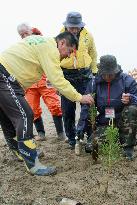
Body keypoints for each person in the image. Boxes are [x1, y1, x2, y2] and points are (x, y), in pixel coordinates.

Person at [0, 31, 94, 176]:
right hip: (5, 77)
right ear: (61, 43)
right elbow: (58, 80)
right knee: (25, 116)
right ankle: (33, 164)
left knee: (7, 118)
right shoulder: (51, 49)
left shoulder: (40, 41)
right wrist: (80, 97)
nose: (69, 55)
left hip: (7, 75)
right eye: (69, 51)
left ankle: (21, 151)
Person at [77, 55, 137, 160]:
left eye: (110, 74)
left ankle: (128, 147)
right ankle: (119, 138)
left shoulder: (127, 80)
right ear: (100, 71)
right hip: (105, 123)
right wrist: (80, 128)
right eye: (104, 74)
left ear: (116, 70)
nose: (107, 77)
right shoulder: (94, 83)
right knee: (90, 147)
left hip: (122, 121)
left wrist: (131, 98)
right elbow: (86, 107)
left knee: (132, 109)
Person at [17, 23, 66, 141]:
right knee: (32, 109)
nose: (24, 36)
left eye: (26, 33)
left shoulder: (41, 40)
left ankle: (60, 133)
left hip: (45, 80)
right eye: (21, 35)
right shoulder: (21, 46)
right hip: (30, 83)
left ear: (31, 31)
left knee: (54, 105)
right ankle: (41, 133)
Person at [60, 11, 98, 149]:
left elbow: (93, 54)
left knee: (87, 106)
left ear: (81, 25)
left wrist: (94, 72)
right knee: (67, 109)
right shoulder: (60, 37)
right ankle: (71, 137)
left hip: (85, 74)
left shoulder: (88, 36)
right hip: (67, 75)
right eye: (71, 27)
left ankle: (87, 135)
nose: (74, 29)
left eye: (77, 27)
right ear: (66, 26)